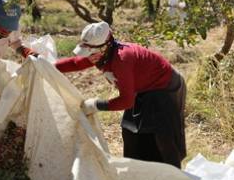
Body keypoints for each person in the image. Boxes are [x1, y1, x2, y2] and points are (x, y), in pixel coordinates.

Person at [55, 21, 187, 168]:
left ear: (105, 47)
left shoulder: (122, 59)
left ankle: (173, 178)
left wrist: (96, 104)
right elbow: (75, 63)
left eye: (91, 53)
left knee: (161, 138)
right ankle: (138, 174)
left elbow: (126, 101)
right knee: (130, 132)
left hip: (164, 88)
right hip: (140, 90)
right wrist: (47, 65)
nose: (89, 57)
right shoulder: (101, 55)